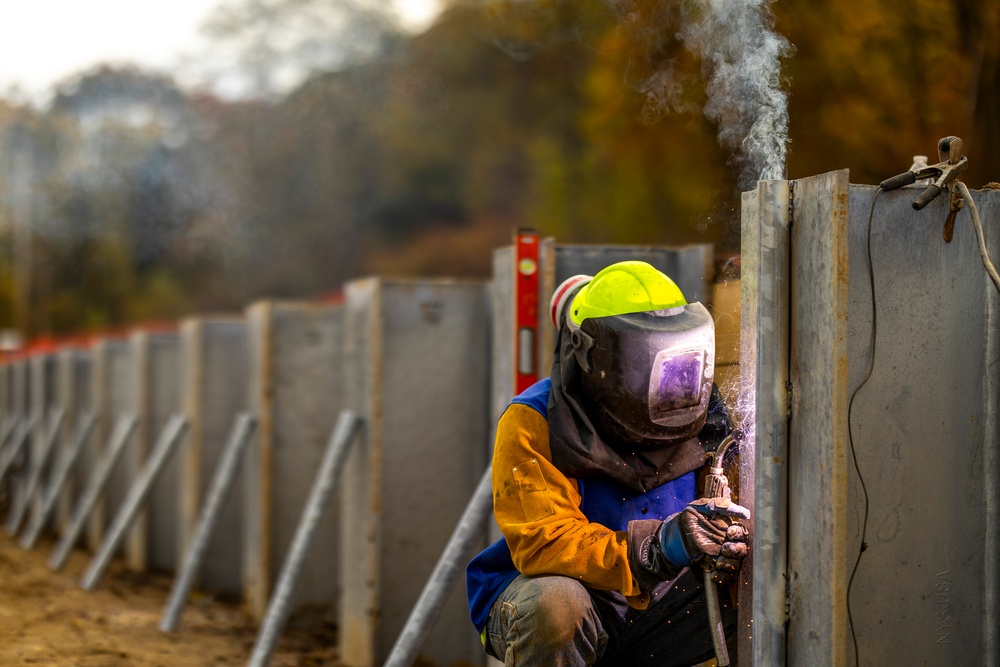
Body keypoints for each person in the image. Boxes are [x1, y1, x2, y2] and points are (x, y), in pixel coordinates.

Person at [466, 260, 750, 667]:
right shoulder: (534, 419)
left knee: (760, 589)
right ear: (592, 356)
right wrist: (654, 550)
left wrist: (725, 539)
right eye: (640, 360)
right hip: (573, 600)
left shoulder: (700, 405)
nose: (666, 385)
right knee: (557, 609)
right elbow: (545, 541)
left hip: (658, 606)